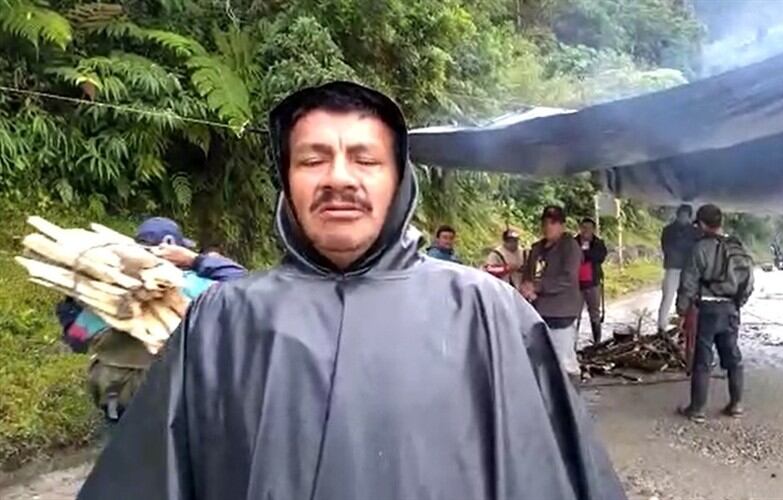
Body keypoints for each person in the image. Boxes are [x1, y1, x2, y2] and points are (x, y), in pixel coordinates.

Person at [77, 81, 625, 500]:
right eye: (313, 160)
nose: (339, 178)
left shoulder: (485, 311)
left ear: (398, 181)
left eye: (365, 159)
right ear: (288, 182)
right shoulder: (223, 321)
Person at [55, 217, 246, 422]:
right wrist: (196, 260)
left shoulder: (108, 294)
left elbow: (76, 340)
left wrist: (70, 311)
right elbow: (244, 282)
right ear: (176, 252)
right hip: (177, 399)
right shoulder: (196, 286)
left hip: (120, 399)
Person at [676, 204, 754, 423]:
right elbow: (749, 281)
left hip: (707, 310)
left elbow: (688, 283)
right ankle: (736, 404)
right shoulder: (737, 246)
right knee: (733, 357)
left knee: (702, 358)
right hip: (730, 309)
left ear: (701, 224)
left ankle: (697, 409)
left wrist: (681, 311)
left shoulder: (700, 248)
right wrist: (738, 303)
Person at [521, 205, 584, 378]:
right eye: (546, 222)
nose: (549, 226)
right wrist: (527, 287)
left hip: (561, 311)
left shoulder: (569, 247)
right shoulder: (537, 248)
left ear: (562, 225)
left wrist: (538, 287)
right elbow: (528, 273)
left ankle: (570, 399)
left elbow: (568, 278)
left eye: (554, 223)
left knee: (564, 362)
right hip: (538, 310)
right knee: (539, 360)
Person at [658, 204, 697, 334]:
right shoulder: (669, 230)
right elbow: (667, 248)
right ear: (677, 215)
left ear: (690, 217)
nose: (683, 218)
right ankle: (661, 327)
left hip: (687, 269)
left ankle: (683, 327)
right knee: (667, 296)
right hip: (673, 267)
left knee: (685, 298)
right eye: (682, 215)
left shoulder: (694, 231)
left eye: (686, 215)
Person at [575, 217, 608, 346]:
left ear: (593, 230)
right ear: (580, 228)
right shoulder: (573, 242)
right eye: (584, 228)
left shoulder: (598, 243)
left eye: (589, 228)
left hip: (593, 283)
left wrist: (584, 254)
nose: (586, 231)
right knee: (574, 314)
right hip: (576, 284)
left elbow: (600, 257)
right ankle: (572, 343)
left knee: (594, 313)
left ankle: (597, 341)